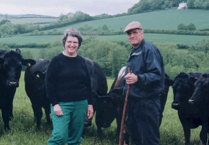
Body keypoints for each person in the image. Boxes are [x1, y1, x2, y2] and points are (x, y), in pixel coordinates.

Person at [45, 28, 94, 145]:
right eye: (69, 42)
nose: (72, 45)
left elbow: (87, 84)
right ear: (64, 43)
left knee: (75, 139)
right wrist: (55, 104)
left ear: (79, 44)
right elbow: (49, 84)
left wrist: (90, 104)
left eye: (75, 42)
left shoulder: (82, 61)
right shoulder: (56, 61)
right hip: (62, 105)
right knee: (59, 137)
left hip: (81, 104)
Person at [123, 21, 165, 145]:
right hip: (134, 103)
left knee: (148, 140)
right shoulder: (134, 51)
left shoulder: (149, 50)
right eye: (129, 34)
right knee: (136, 138)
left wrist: (138, 78)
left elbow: (157, 75)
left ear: (142, 33)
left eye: (135, 32)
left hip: (147, 103)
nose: (132, 36)